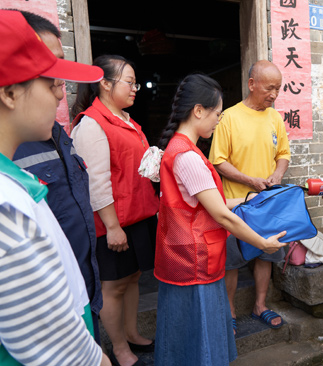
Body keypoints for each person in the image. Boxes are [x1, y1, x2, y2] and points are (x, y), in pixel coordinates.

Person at [149, 73, 287, 365]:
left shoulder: (178, 149)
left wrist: (251, 199)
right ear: (198, 110)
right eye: (216, 114)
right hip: (196, 262)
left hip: (184, 257)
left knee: (185, 337)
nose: (218, 121)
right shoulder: (188, 156)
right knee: (200, 340)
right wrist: (263, 242)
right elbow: (222, 215)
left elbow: (212, 203)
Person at [0, 9, 110, 365]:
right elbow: (60, 354)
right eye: (50, 83)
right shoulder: (7, 210)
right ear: (10, 92)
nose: (60, 96)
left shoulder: (18, 182)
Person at [71, 55, 159, 366]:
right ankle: (120, 349)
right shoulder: (92, 124)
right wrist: (111, 226)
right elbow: (97, 181)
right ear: (105, 84)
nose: (135, 88)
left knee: (133, 277)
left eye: (135, 82)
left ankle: (132, 334)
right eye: (129, 82)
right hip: (113, 222)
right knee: (114, 286)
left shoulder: (126, 120)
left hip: (137, 216)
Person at [208, 60, 291, 330]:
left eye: (278, 89)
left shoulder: (275, 117)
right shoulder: (229, 117)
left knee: (266, 254)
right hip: (236, 203)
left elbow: (283, 155)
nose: (274, 95)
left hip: (268, 202)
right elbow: (218, 161)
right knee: (231, 260)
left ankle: (260, 305)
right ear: (252, 84)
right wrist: (250, 181)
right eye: (270, 88)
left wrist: (277, 175)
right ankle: (229, 311)